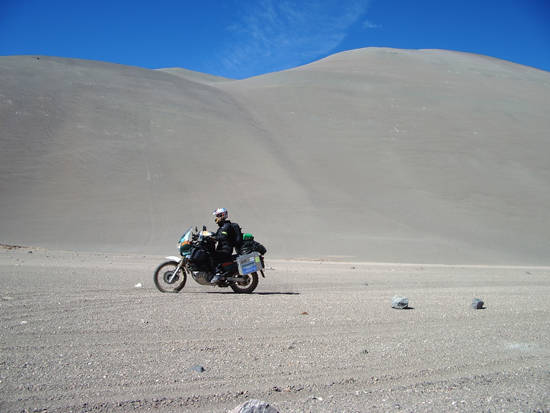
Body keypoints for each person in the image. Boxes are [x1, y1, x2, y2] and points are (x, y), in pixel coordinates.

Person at [210, 207, 242, 283]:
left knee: (212, 256)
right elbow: (217, 235)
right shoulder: (222, 227)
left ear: (222, 215)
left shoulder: (226, 226)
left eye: (217, 216)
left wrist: (214, 238)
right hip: (223, 248)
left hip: (226, 249)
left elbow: (223, 236)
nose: (216, 218)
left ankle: (218, 274)